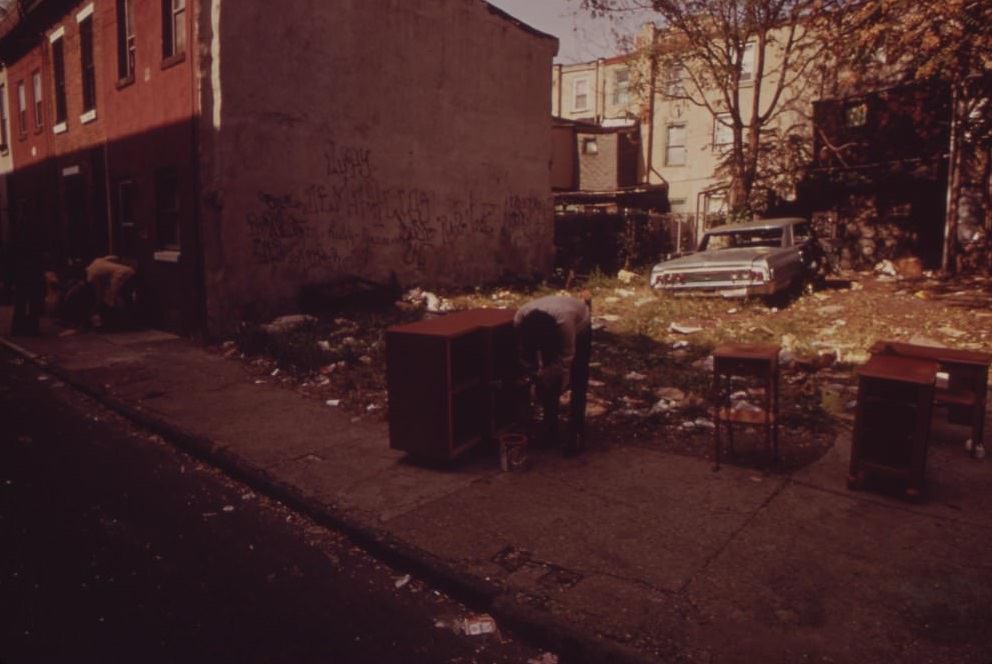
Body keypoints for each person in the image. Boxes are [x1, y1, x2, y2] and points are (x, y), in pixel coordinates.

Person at [514, 294, 592, 454]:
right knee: (549, 381)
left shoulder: (565, 324)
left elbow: (566, 359)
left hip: (580, 323)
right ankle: (550, 430)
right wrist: (532, 374)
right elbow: (523, 351)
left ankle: (576, 434)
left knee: (579, 377)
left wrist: (544, 375)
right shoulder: (519, 319)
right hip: (555, 314)